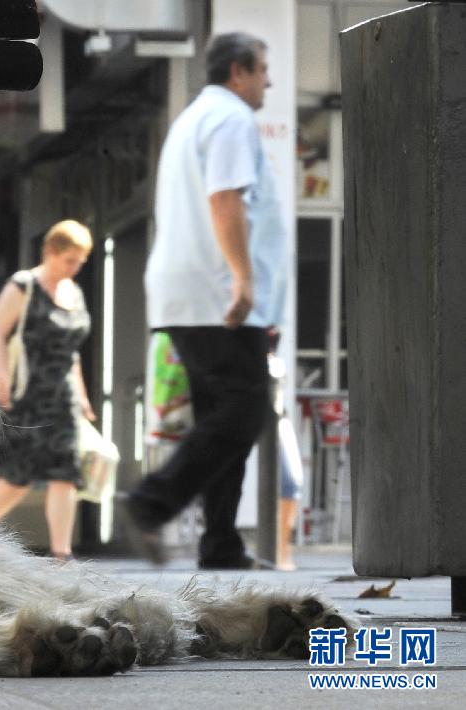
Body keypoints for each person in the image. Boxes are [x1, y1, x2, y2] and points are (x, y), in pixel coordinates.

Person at [127, 32, 287, 569]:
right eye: (263, 68)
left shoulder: (195, 118)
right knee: (244, 411)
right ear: (238, 71)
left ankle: (220, 543)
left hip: (194, 295)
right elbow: (225, 199)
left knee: (225, 418)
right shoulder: (231, 119)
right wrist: (244, 280)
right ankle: (151, 503)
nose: (269, 80)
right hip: (217, 297)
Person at [0, 220, 95, 562]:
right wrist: (1, 379)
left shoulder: (73, 293)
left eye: (80, 262)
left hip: (65, 397)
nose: (74, 268)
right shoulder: (24, 286)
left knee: (65, 473)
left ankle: (62, 554)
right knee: (20, 473)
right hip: (29, 392)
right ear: (50, 252)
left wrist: (84, 397)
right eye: (69, 260)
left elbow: (72, 351)